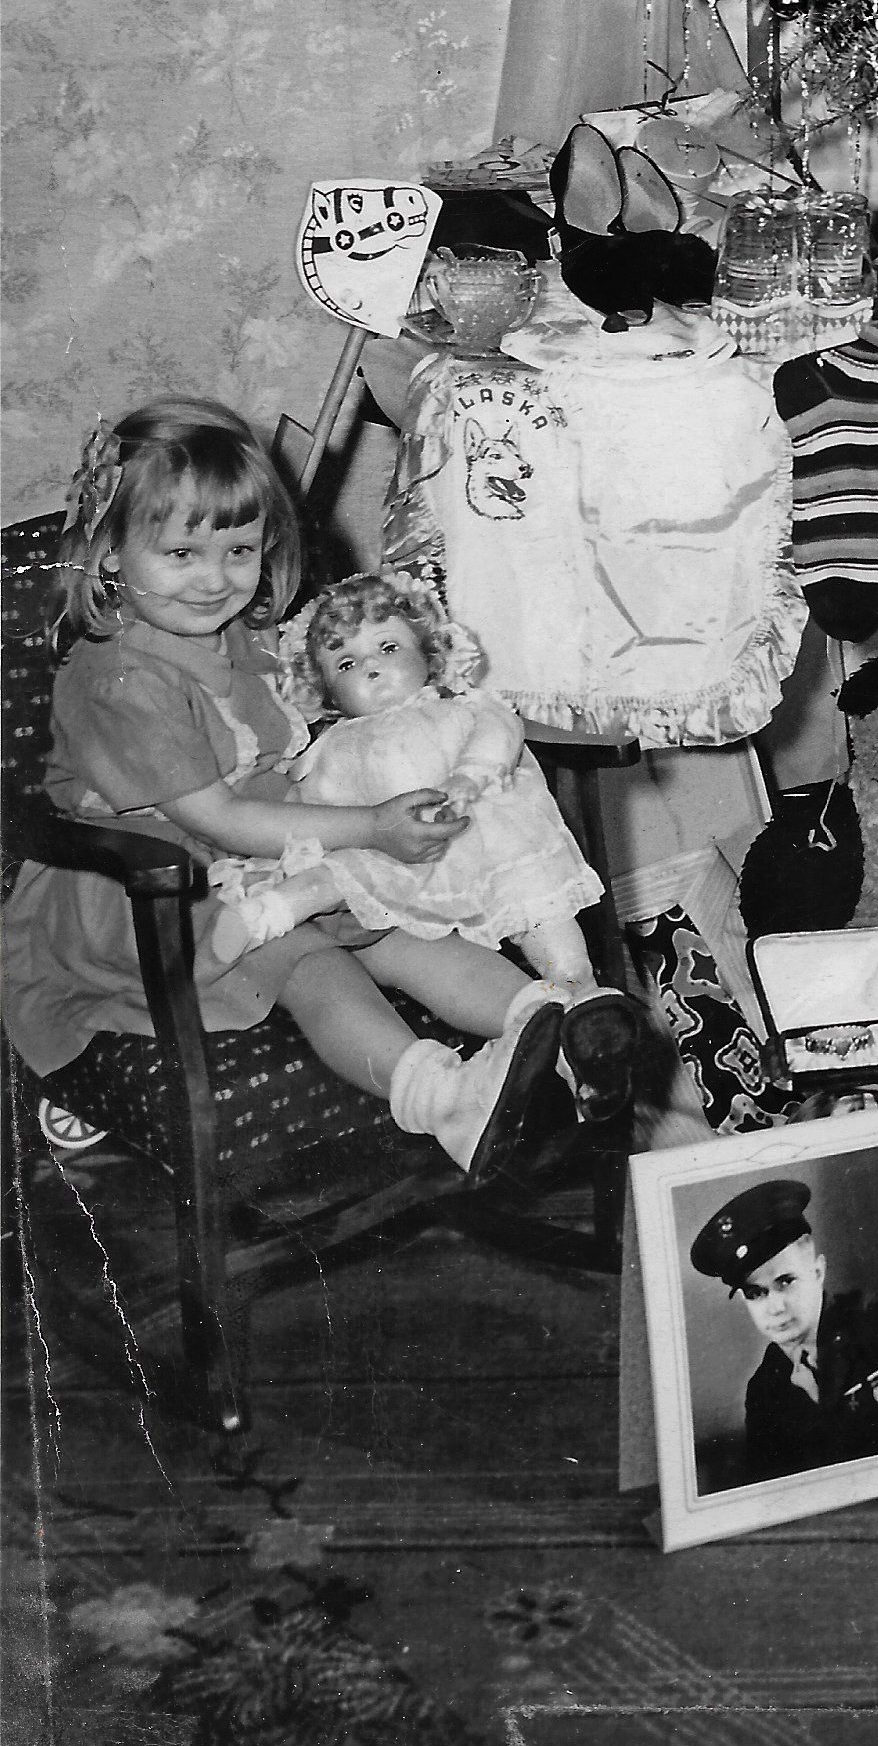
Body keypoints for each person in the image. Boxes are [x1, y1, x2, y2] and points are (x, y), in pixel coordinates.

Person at [4, 401, 564, 1179]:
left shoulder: (240, 636)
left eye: (238, 550)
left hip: (275, 847)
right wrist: (368, 823)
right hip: (157, 891)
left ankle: (556, 1018)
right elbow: (220, 818)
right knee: (314, 963)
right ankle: (444, 1101)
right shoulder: (122, 678)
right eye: (181, 552)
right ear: (108, 556)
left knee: (411, 931)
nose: (214, 579)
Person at [206, 571, 640, 1119]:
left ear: (429, 650)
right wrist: (273, 857)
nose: (371, 666)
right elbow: (304, 813)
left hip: (485, 840)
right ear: (327, 693)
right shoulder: (332, 744)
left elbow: (498, 736)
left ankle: (579, 996)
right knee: (333, 876)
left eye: (388, 647)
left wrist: (468, 779)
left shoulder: (462, 706)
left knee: (539, 904)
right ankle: (265, 914)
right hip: (392, 867)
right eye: (346, 665)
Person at [690, 1177, 878, 1482]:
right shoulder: (763, 1390)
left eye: (786, 1281)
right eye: (756, 1293)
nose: (775, 1307)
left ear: (818, 1272)